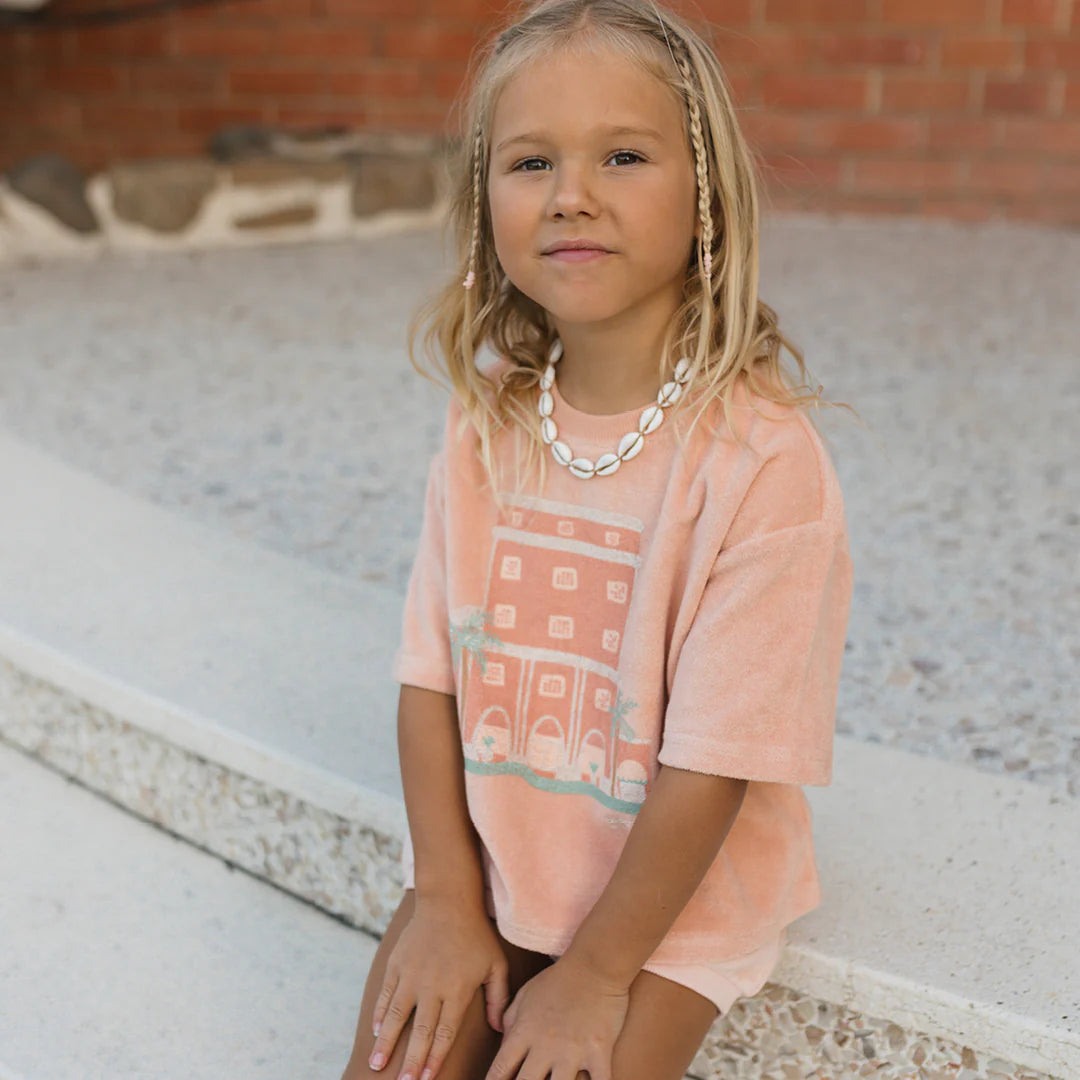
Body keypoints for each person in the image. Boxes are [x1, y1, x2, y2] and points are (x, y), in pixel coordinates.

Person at [340, 2, 858, 1079]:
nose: (572, 194)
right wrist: (444, 894)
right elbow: (430, 680)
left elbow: (710, 765)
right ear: (488, 206)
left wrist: (596, 973)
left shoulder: (761, 462)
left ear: (705, 189)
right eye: (531, 162)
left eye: (624, 154)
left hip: (669, 911)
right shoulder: (486, 420)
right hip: (493, 862)